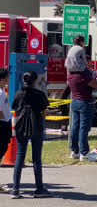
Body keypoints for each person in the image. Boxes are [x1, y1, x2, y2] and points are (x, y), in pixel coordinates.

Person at [10, 71, 51, 199]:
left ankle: (15, 189)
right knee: (36, 159)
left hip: (21, 128)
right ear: (34, 81)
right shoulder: (40, 95)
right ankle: (39, 188)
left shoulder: (18, 94)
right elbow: (43, 113)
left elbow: (15, 109)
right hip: (36, 128)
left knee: (19, 157)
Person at [68, 55, 97, 161]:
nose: (90, 64)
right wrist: (92, 74)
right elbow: (95, 85)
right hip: (85, 102)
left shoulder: (71, 74)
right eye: (89, 62)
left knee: (75, 127)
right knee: (83, 129)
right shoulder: (84, 74)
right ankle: (84, 153)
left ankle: (74, 151)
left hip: (75, 101)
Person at [0, 69, 11, 193]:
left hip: (5, 123)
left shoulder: (2, 91)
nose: (8, 80)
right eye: (7, 78)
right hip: (2, 125)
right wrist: (5, 120)